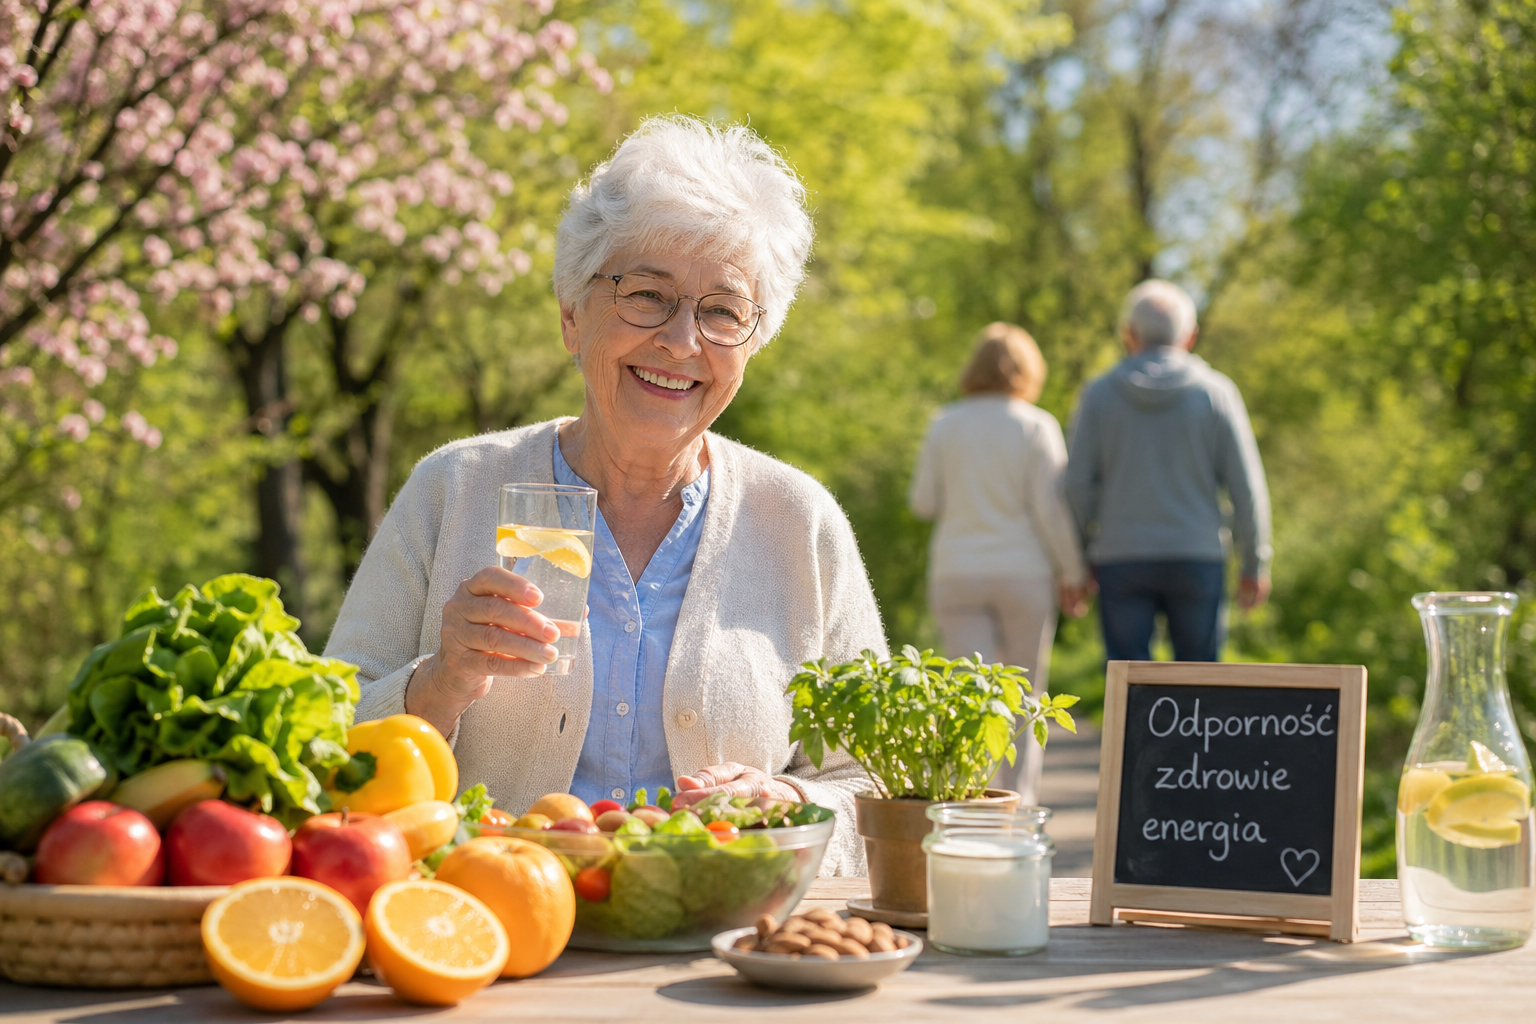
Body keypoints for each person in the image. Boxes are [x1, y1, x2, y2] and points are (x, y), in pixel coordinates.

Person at [324, 116, 886, 875]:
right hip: (491, 935)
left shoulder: (798, 522)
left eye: (722, 310)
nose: (682, 342)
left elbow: (877, 787)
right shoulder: (455, 490)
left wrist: (792, 804)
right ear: (570, 315)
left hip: (721, 953)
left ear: (753, 342)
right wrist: (438, 683)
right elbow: (324, 742)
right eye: (646, 294)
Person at [909, 323, 1088, 804]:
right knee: (1025, 693)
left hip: (955, 572)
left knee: (972, 697)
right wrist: (1073, 572)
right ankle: (1018, 805)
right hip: (1023, 573)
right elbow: (1051, 509)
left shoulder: (944, 423)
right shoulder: (1036, 425)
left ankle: (972, 802)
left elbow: (923, 501)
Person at [1064, 280, 1272, 664]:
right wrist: (1254, 562)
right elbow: (1246, 485)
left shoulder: (1098, 394)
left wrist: (1075, 561)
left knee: (1128, 684)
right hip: (1198, 555)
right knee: (1199, 687)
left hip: (1120, 555)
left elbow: (1076, 484)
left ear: (1129, 334)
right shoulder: (1216, 392)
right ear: (1190, 336)